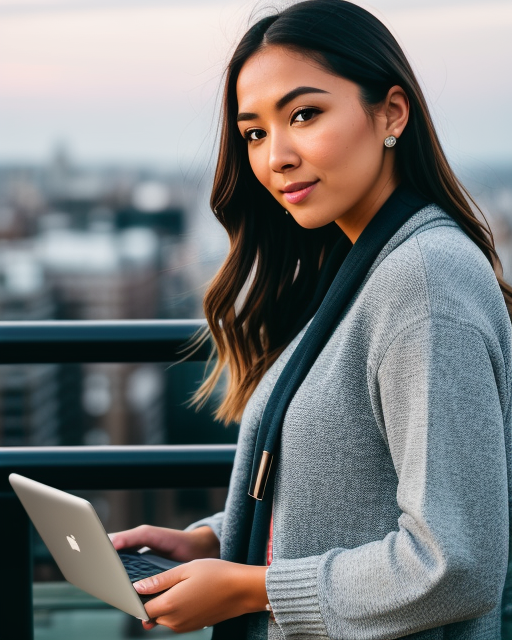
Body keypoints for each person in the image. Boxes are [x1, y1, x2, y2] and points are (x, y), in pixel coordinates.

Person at [111, 1, 512, 638]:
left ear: (391, 114)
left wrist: (250, 587)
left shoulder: (426, 280)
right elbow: (356, 498)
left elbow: (455, 564)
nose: (276, 157)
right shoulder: (358, 267)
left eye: (304, 114)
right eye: (254, 133)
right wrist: (220, 542)